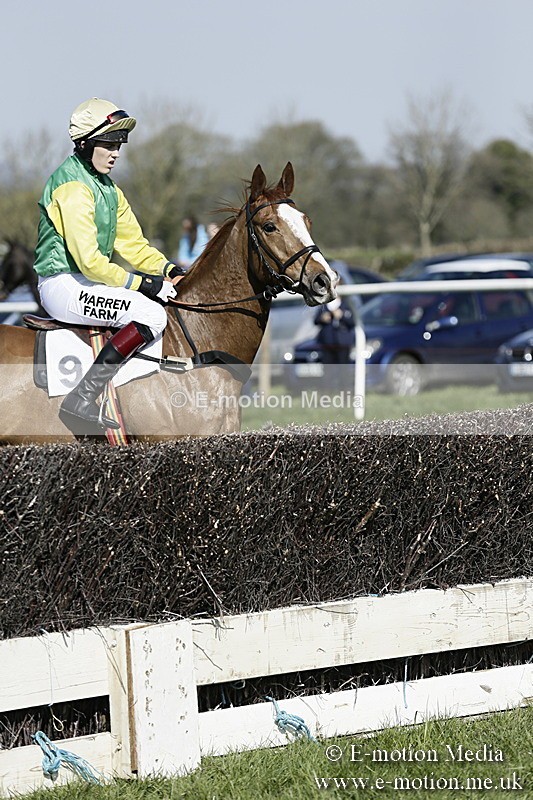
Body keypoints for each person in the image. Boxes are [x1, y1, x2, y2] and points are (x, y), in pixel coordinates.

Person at [33, 97, 185, 431]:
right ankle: (81, 399)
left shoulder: (109, 189)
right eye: (108, 144)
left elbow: (134, 245)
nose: (115, 152)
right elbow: (90, 262)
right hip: (62, 284)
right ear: (85, 144)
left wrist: (168, 270)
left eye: (120, 144)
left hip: (85, 281)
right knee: (151, 313)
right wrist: (143, 283)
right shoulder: (73, 186)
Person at [314, 291, 355, 389]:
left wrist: (342, 316)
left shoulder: (346, 304)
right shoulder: (324, 305)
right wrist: (322, 318)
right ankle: (327, 395)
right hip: (328, 343)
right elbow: (315, 320)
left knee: (343, 372)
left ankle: (344, 395)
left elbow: (352, 322)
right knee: (327, 372)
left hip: (342, 344)